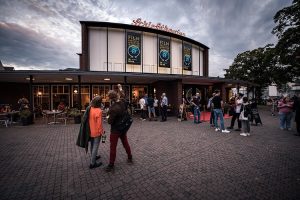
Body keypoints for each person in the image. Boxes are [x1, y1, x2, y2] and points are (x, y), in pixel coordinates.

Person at [105, 90, 133, 172]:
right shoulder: (123, 102)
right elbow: (124, 96)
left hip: (115, 130)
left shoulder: (113, 108)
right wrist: (120, 89)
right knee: (125, 143)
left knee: (113, 147)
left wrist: (107, 115)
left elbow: (109, 121)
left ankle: (111, 164)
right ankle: (130, 156)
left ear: (110, 98)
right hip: (123, 128)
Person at [76, 96, 104, 169]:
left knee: (92, 145)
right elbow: (99, 124)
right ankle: (92, 163)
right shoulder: (99, 111)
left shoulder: (90, 108)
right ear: (99, 103)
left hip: (89, 131)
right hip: (96, 132)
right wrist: (102, 132)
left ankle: (93, 156)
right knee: (95, 147)